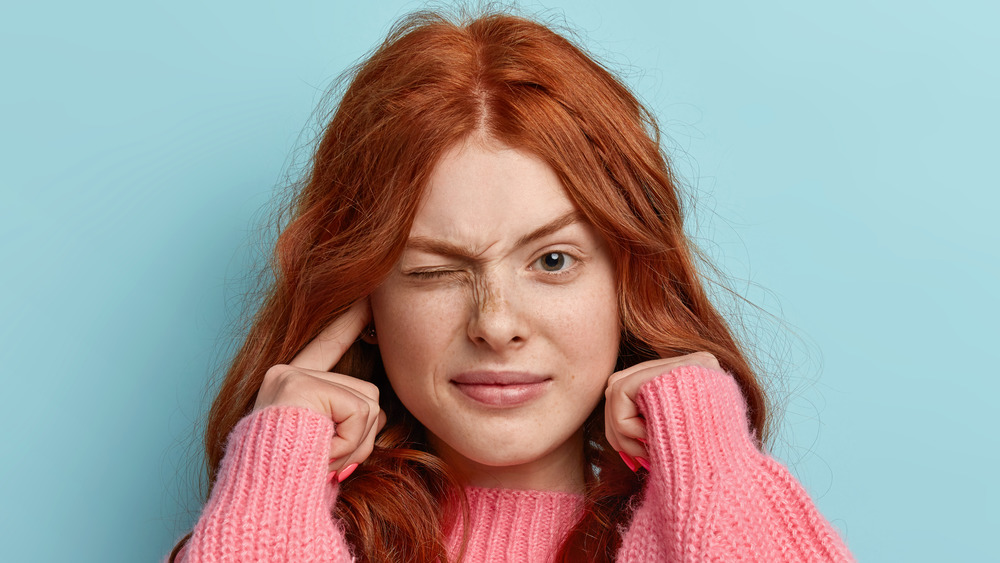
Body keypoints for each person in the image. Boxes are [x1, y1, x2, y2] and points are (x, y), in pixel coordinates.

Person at [169, 9, 854, 563]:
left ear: (627, 279)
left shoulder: (694, 538)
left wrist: (709, 454)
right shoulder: (269, 526)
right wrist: (275, 469)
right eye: (435, 268)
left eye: (553, 260)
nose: (495, 325)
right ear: (365, 298)